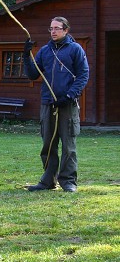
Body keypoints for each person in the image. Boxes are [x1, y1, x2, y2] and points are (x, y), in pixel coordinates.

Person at [23, 17, 89, 193]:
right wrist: (26, 55)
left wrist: (69, 95)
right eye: (51, 28)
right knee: (48, 144)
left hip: (67, 104)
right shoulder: (45, 51)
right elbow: (32, 74)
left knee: (68, 145)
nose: (53, 31)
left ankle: (68, 181)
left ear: (66, 30)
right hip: (48, 104)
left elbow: (83, 75)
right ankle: (48, 181)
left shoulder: (75, 49)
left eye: (57, 28)